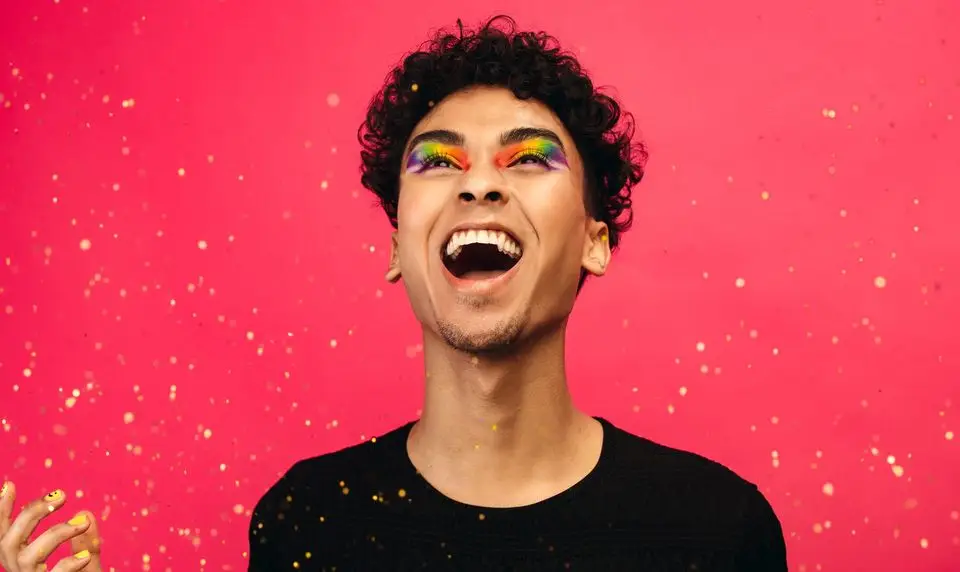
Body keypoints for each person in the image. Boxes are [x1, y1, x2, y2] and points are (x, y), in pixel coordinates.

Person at [247, 15, 788, 572]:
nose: (478, 184)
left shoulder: (717, 530)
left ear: (593, 242)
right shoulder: (307, 522)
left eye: (529, 158)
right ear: (396, 251)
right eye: (437, 161)